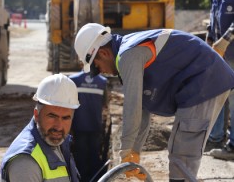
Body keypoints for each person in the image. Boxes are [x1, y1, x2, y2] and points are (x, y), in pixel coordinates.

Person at [73, 23, 234, 181]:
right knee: (180, 153)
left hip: (205, 81)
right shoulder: (127, 50)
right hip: (203, 80)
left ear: (103, 53)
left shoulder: (128, 55)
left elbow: (132, 105)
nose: (101, 72)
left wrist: (125, 150)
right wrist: (134, 151)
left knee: (182, 154)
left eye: (96, 67)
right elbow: (142, 107)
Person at [0, 74, 80, 182]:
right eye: (52, 116)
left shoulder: (59, 144)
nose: (58, 126)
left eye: (65, 118)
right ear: (37, 115)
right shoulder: (26, 163)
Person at [196, 0, 234, 160]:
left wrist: (225, 40)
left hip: (230, 49)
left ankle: (232, 146)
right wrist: (209, 40)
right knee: (218, 93)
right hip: (222, 52)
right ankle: (216, 138)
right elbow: (213, 16)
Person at [69, 69, 108, 182]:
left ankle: (81, 178)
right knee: (94, 153)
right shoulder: (102, 81)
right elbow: (105, 103)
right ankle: (95, 178)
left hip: (79, 124)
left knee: (80, 153)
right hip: (95, 124)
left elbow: (69, 102)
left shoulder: (73, 79)